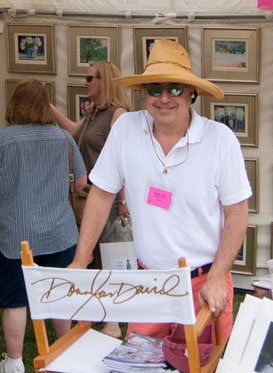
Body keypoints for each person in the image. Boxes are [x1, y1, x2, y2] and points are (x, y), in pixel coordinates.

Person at [68, 40, 250, 343]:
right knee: (141, 363)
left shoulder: (220, 140)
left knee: (201, 365)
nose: (164, 98)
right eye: (155, 88)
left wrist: (218, 276)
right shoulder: (126, 128)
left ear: (191, 93)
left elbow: (237, 212)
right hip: (148, 283)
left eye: (175, 89)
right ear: (144, 93)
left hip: (203, 283)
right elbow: (101, 195)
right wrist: (80, 258)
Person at [0, 78, 88, 373]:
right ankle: (65, 353)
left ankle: (13, 363)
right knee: (59, 293)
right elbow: (81, 183)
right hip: (60, 233)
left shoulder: (1, 140)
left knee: (15, 299)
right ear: (45, 105)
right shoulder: (63, 138)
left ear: (14, 104)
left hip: (15, 237)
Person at [51, 60, 131, 338]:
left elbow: (125, 159)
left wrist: (123, 199)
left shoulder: (118, 114)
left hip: (108, 200)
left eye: (89, 78)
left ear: (103, 80)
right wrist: (49, 110)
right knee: (91, 257)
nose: (85, 83)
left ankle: (113, 324)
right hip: (87, 198)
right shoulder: (94, 113)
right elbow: (75, 132)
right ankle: (94, 314)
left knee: (110, 258)